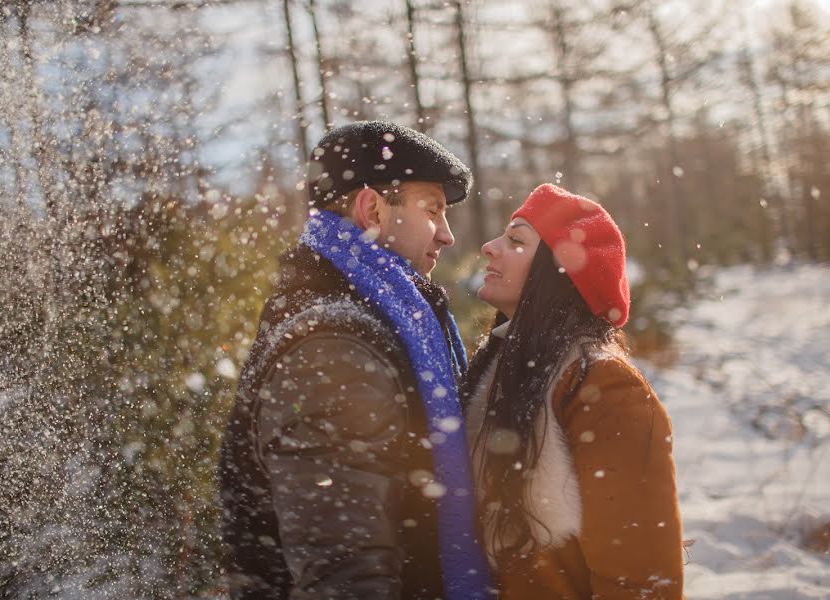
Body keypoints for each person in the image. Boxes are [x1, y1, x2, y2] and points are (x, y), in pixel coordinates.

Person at [219, 121, 493, 600]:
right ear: (372, 210)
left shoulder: (361, 315)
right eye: (432, 210)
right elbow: (345, 568)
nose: (447, 235)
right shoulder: (333, 344)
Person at [465, 183, 684, 599]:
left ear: (558, 272)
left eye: (515, 241)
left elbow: (640, 577)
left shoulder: (603, 384)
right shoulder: (501, 368)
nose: (489, 248)